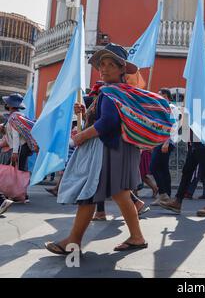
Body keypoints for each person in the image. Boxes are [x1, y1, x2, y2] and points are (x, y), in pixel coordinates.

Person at [44, 43, 173, 255]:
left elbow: (108, 123)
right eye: (101, 64)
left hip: (109, 150)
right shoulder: (120, 92)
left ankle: (74, 241)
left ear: (122, 68)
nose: (103, 68)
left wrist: (81, 136)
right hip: (120, 149)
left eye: (110, 64)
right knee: (118, 193)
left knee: (94, 194)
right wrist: (86, 113)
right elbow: (108, 119)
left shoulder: (110, 92)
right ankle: (135, 236)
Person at [160, 83, 205, 217]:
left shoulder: (204, 99)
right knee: (187, 171)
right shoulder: (196, 99)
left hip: (204, 141)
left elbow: (198, 120)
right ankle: (178, 201)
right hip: (196, 142)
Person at [1, 93, 37, 203]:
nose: (6, 104)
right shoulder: (17, 116)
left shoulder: (14, 117)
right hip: (22, 148)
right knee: (18, 170)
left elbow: (16, 135)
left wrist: (15, 152)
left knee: (18, 171)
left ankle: (20, 194)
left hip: (19, 148)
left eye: (7, 103)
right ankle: (18, 193)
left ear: (11, 105)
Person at [150, 88, 177, 207]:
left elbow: (173, 125)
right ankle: (165, 195)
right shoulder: (161, 108)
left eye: (160, 95)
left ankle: (163, 194)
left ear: (166, 96)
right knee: (163, 168)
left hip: (166, 142)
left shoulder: (171, 108)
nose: (158, 97)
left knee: (154, 167)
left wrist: (167, 142)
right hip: (159, 141)